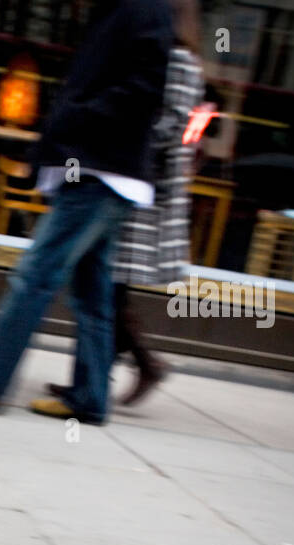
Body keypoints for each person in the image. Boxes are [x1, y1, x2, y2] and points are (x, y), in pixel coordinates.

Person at [0, 0, 173, 425]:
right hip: (101, 168)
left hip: (101, 168)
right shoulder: (126, 10)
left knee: (36, 276)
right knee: (93, 294)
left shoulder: (142, 8)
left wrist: (75, 119)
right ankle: (90, 397)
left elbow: (144, 88)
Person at [49, 0, 205, 407]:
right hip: (128, 178)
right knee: (103, 284)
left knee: (107, 288)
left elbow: (171, 125)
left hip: (144, 188)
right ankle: (96, 382)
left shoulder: (182, 62)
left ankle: (130, 369)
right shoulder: (156, 51)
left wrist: (124, 139)